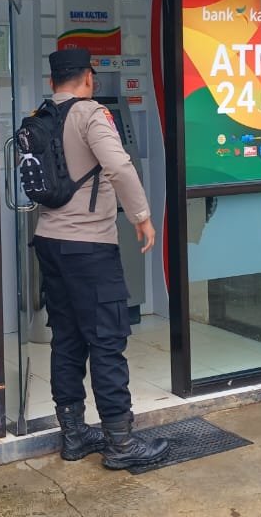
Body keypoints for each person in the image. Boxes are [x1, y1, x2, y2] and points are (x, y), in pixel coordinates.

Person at [32, 47, 169, 470]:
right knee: (107, 340)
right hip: (89, 247)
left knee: (67, 339)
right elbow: (121, 167)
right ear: (89, 77)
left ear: (53, 81)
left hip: (49, 242)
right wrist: (142, 216)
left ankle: (74, 436)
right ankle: (121, 442)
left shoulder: (40, 116)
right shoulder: (91, 114)